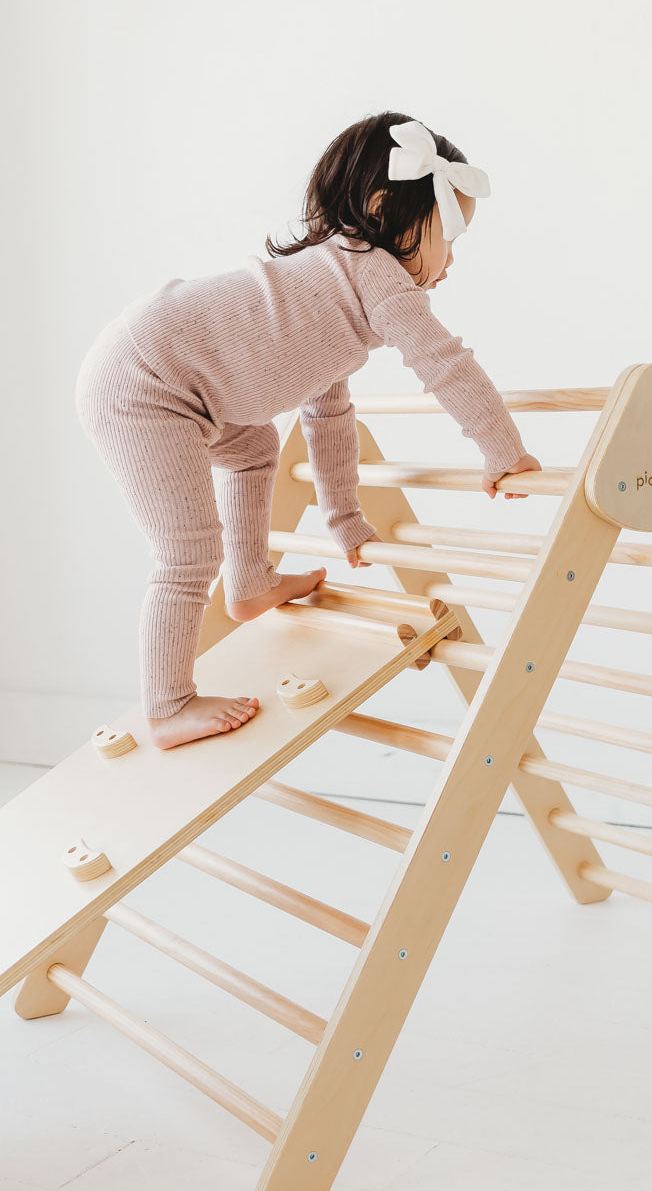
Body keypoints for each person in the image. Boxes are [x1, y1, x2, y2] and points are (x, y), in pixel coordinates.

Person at [75, 111, 542, 751]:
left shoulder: (333, 287)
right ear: (384, 210)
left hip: (169, 378)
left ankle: (249, 582)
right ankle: (168, 705)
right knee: (187, 553)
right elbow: (444, 363)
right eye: (450, 235)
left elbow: (327, 415)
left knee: (255, 446)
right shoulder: (377, 277)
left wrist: (345, 518)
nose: (452, 260)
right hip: (142, 381)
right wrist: (505, 452)